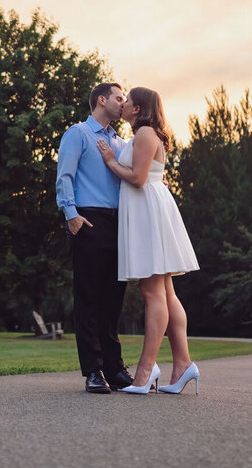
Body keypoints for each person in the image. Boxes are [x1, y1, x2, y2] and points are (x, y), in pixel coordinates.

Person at [96, 86, 201, 395]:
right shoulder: (145, 134)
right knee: (165, 291)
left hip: (148, 212)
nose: (123, 103)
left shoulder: (144, 133)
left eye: (127, 100)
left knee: (152, 289)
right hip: (151, 210)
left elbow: (138, 179)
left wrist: (110, 160)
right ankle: (183, 365)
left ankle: (145, 371)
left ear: (138, 108)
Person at [55, 82, 134, 394]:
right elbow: (65, 175)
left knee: (113, 300)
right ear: (101, 100)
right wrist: (71, 214)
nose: (123, 102)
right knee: (88, 298)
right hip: (88, 219)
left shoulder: (120, 141)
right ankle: (93, 370)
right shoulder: (78, 133)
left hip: (119, 223)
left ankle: (114, 368)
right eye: (118, 97)